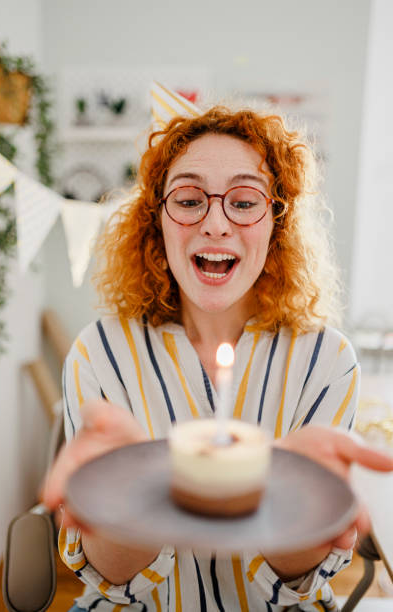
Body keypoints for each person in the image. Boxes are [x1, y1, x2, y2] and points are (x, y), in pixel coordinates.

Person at [43, 104, 393, 611]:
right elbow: (110, 576)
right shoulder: (100, 353)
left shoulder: (327, 359)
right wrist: (126, 499)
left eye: (244, 201)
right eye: (188, 199)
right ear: (157, 219)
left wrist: (301, 505)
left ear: (277, 221)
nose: (215, 224)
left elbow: (300, 579)